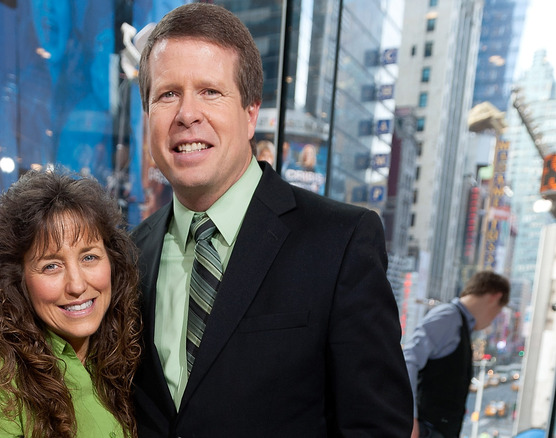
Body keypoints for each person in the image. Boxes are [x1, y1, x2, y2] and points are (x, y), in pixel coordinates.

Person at [132, 3, 412, 436]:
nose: (187, 114)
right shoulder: (131, 254)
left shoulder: (340, 242)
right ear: (148, 116)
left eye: (210, 91)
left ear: (250, 115)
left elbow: (377, 428)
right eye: (167, 94)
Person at [0, 170, 141, 438]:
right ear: (17, 280)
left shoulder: (114, 366)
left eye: (89, 257)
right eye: (51, 266)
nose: (77, 285)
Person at [404, 271, 510, 438]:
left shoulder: (459, 323)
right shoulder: (448, 317)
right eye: (496, 313)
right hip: (427, 428)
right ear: (495, 297)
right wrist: (409, 417)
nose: (492, 320)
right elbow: (408, 360)